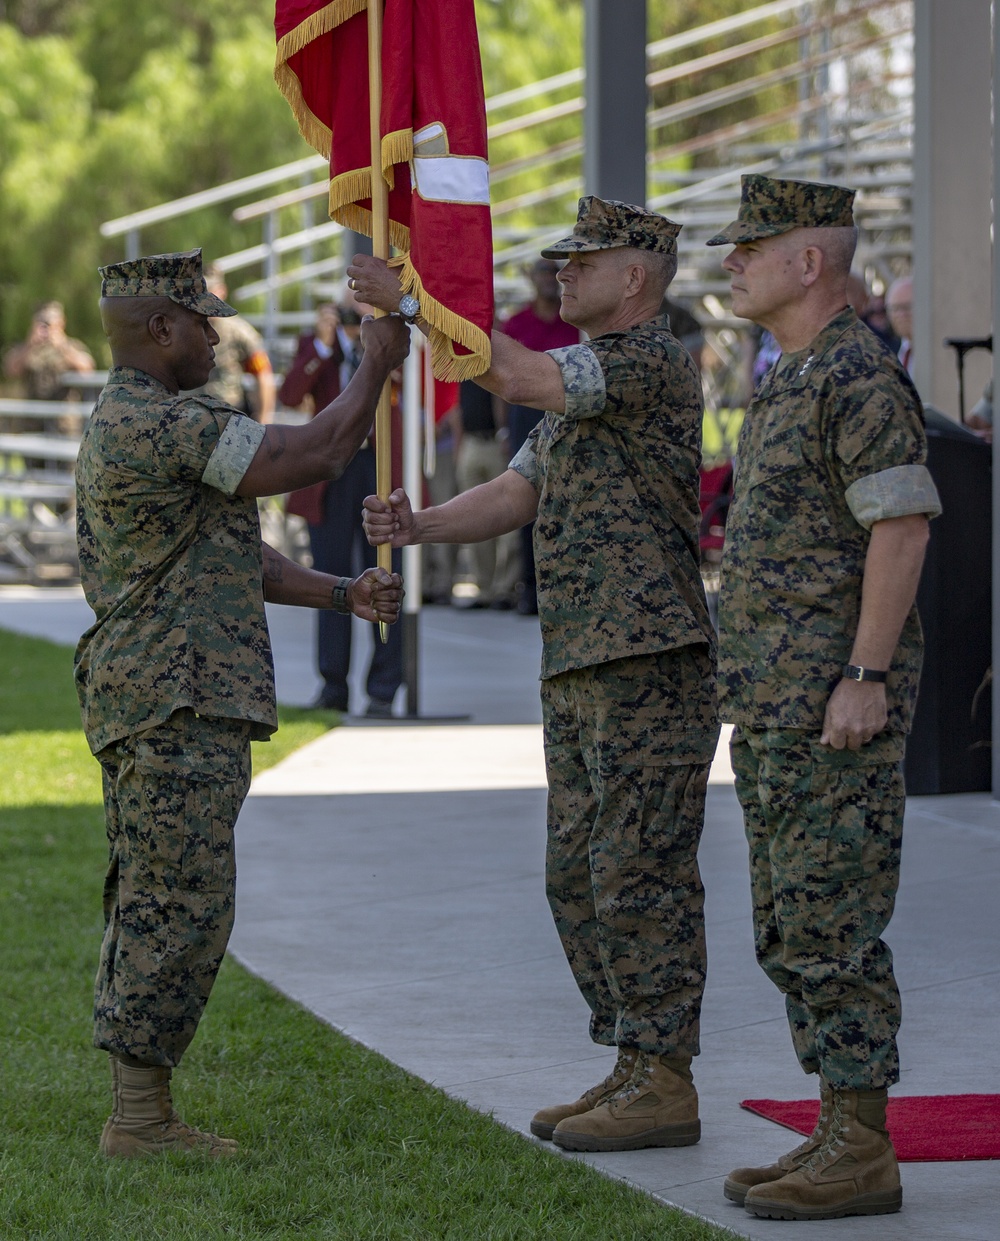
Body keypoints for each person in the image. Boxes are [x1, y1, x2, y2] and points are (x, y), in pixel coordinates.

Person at [350, 197, 719, 1154]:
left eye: (582, 262)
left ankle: (664, 1075)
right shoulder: (583, 382)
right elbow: (519, 489)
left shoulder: (643, 361)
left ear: (634, 277)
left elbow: (512, 371)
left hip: (648, 661)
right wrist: (421, 526)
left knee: (639, 875)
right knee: (578, 877)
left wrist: (417, 299)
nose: (562, 274)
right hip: (584, 658)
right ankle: (635, 1061)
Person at [74, 248, 407, 1158]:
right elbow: (316, 451)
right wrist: (373, 363)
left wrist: (340, 592)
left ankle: (141, 1107)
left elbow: (236, 557)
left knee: (168, 890)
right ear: (161, 329)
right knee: (175, 898)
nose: (216, 334)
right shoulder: (159, 423)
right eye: (202, 320)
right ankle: (139, 1119)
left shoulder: (151, 424)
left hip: (173, 694)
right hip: (172, 698)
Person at [707, 176, 942, 1221]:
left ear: (810, 262)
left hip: (830, 702)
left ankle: (860, 1146)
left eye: (751, 245)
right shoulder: (791, 373)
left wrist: (865, 674)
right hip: (780, 701)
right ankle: (836, 1131)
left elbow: (902, 528)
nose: (730, 260)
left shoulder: (856, 375)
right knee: (794, 922)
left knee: (833, 921)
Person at [279, 301, 403, 715]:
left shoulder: (388, 343)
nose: (354, 324)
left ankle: (383, 689)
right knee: (330, 578)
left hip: (378, 465)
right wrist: (323, 345)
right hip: (331, 474)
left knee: (385, 576)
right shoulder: (319, 350)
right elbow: (291, 394)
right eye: (348, 317)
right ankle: (333, 686)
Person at [499, 257, 581, 614]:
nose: (550, 279)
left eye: (554, 272)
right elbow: (503, 383)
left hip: (566, 411)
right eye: (543, 273)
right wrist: (504, 428)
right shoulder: (516, 321)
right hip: (524, 416)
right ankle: (529, 591)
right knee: (524, 497)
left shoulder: (575, 320)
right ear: (532, 279)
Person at [451, 379, 520, 608]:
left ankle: (506, 587)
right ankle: (485, 588)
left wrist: (504, 433)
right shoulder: (463, 364)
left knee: (509, 517)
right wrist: (459, 447)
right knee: (473, 518)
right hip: (472, 443)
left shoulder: (491, 357)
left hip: (495, 442)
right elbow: (459, 407)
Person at [194, 264, 276, 423]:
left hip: (227, 421)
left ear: (222, 291)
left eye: (210, 292)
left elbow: (263, 375)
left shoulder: (239, 332)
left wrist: (264, 420)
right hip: (188, 421)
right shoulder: (181, 330)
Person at [2, 300, 95, 402]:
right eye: (41, 322)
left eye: (50, 322)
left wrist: (62, 345)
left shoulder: (73, 346)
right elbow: (10, 371)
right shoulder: (28, 348)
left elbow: (88, 370)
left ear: (62, 322)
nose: (46, 327)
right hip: (32, 413)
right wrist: (30, 344)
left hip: (63, 413)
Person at [885, 275, 913, 374]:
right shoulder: (888, 350)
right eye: (895, 308)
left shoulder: (933, 351)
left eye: (907, 307)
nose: (901, 315)